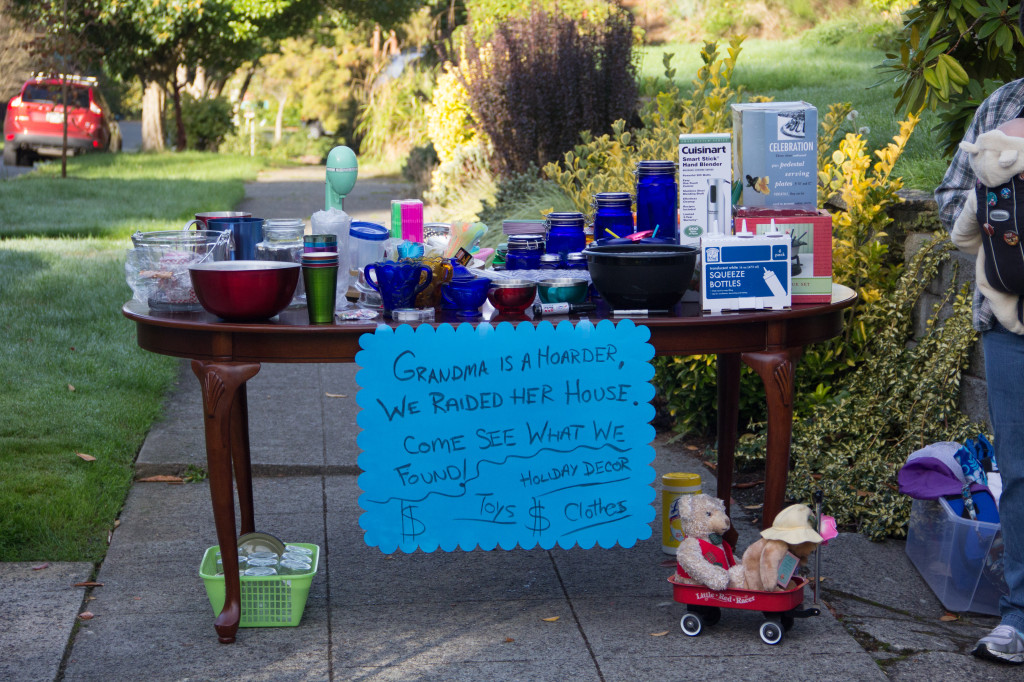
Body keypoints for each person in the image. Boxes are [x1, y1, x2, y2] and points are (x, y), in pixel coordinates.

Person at [935, 27, 1024, 663]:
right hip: (1007, 320)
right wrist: (995, 183)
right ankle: (1019, 620)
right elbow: (946, 207)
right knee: (1019, 474)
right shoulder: (1001, 106)